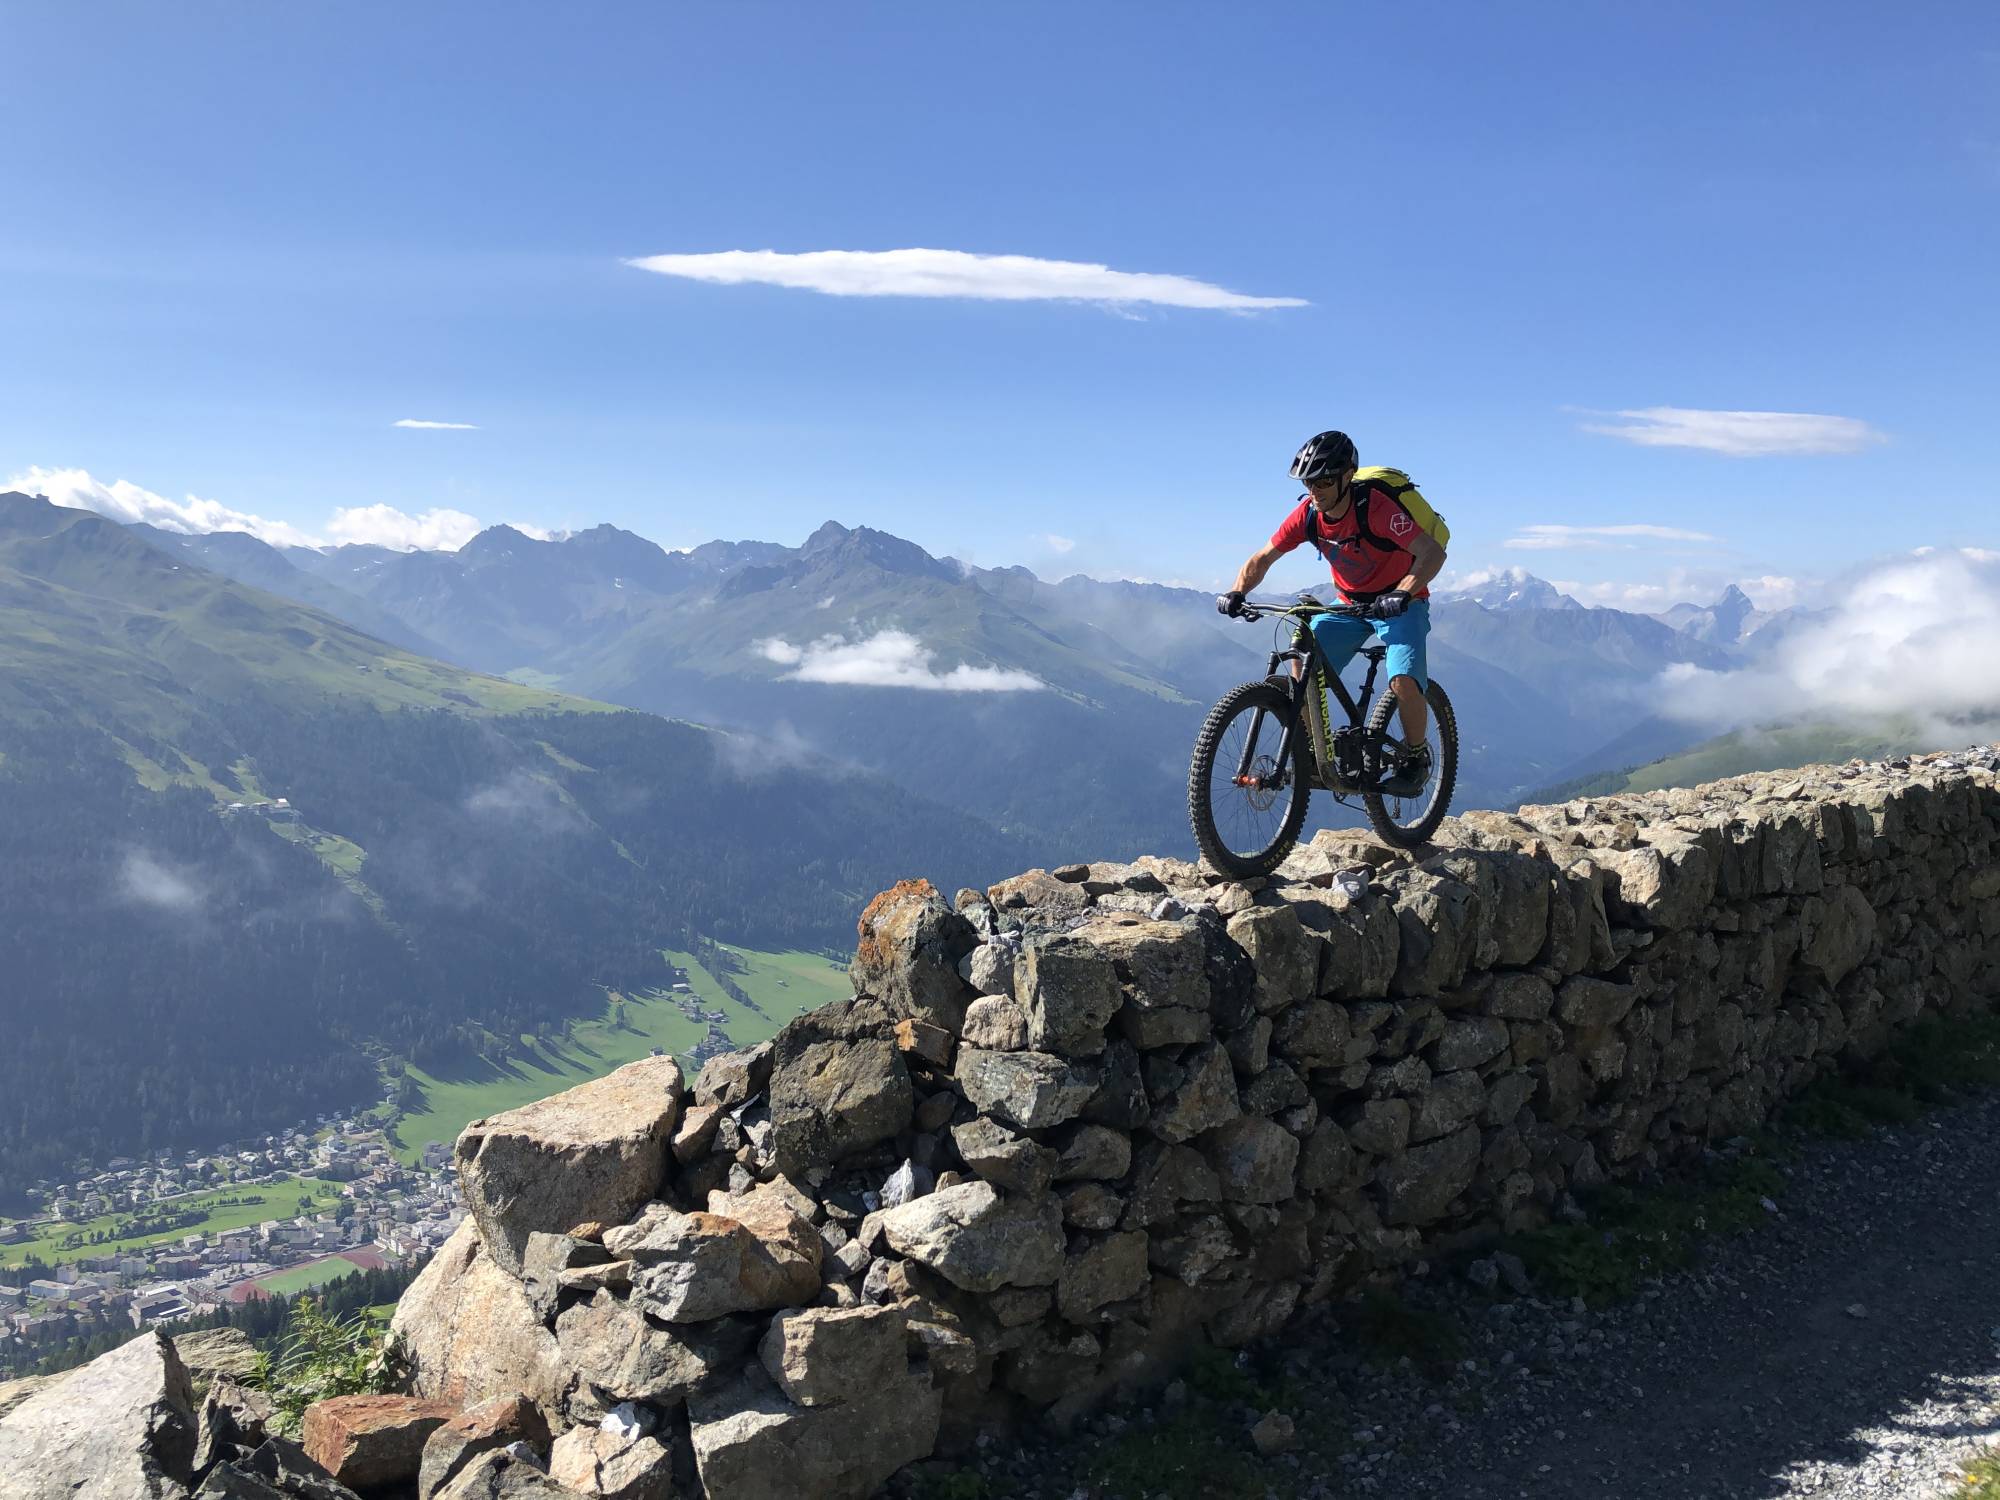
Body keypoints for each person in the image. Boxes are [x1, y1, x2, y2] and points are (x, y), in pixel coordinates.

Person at [1217, 430, 1448, 796]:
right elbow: (1262, 557)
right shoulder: (1308, 515)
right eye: (1309, 481)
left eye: (1324, 480)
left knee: (1403, 680)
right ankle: (1314, 752)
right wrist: (1237, 591)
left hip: (1400, 602)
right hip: (1350, 603)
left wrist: (1402, 593)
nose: (1315, 489)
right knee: (1303, 662)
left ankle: (1415, 758)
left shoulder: (1376, 508)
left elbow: (1432, 552)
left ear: (1347, 476)